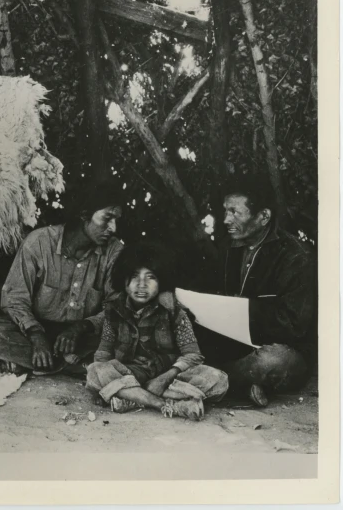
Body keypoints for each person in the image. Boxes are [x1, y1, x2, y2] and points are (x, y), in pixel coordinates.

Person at [0, 182, 125, 375]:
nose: (113, 228)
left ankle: (39, 364)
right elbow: (14, 299)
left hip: (84, 335)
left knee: (124, 337)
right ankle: (74, 365)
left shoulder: (114, 251)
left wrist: (81, 327)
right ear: (84, 214)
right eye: (107, 218)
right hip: (36, 330)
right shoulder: (39, 242)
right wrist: (36, 336)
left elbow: (116, 306)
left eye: (116, 220)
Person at [193, 180, 316, 407]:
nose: (226, 220)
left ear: (263, 217)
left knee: (275, 363)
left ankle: (213, 380)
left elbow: (294, 325)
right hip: (233, 347)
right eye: (225, 211)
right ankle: (241, 385)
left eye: (234, 212)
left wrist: (243, 310)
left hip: (276, 349)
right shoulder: (227, 247)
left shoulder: (295, 256)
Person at [85, 242, 229, 421]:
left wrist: (164, 378)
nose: (142, 285)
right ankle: (166, 404)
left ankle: (130, 397)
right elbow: (103, 353)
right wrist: (101, 373)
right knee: (94, 371)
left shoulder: (174, 311)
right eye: (134, 276)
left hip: (168, 376)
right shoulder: (113, 310)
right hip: (129, 374)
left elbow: (193, 355)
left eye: (150, 277)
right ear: (124, 279)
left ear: (161, 281)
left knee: (218, 379)